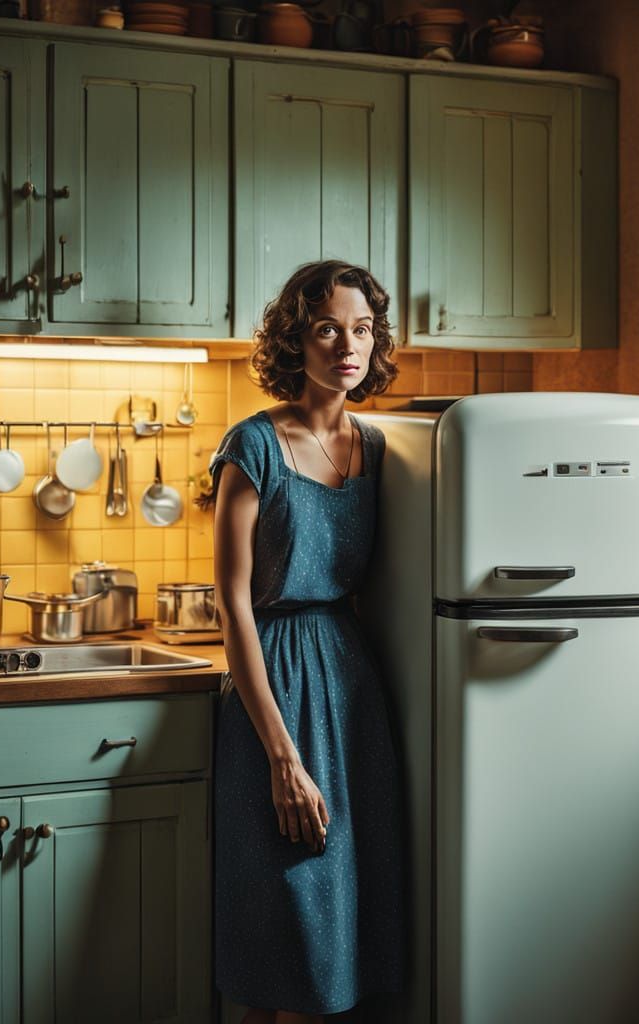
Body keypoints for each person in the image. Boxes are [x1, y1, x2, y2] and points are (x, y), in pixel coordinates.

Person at [209, 260, 406, 1024]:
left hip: (352, 694)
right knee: (282, 920)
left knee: (338, 926)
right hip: (274, 690)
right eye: (327, 329)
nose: (346, 346)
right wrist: (282, 758)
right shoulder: (253, 445)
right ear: (298, 340)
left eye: (361, 330)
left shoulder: (382, 449)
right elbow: (232, 603)